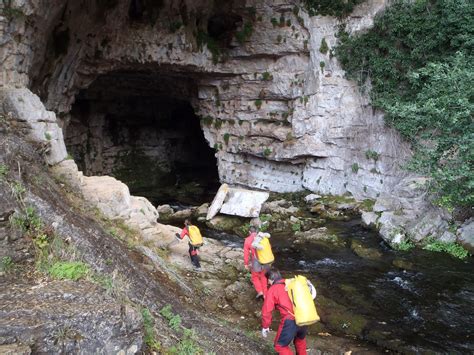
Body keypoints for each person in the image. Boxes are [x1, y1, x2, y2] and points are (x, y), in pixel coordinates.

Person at [261, 268, 316, 355]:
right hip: (304, 316)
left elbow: (266, 310)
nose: (268, 283)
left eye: (268, 280)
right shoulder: (291, 282)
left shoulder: (273, 289)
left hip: (290, 320)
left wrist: (265, 326)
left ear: (271, 279)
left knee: (280, 346)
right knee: (300, 340)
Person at [243, 226, 268, 299]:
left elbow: (246, 254)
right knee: (263, 276)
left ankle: (260, 291)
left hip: (255, 262)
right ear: (256, 232)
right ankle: (265, 294)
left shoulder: (247, 240)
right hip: (265, 260)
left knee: (255, 277)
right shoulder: (262, 238)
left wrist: (246, 263)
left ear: (249, 232)